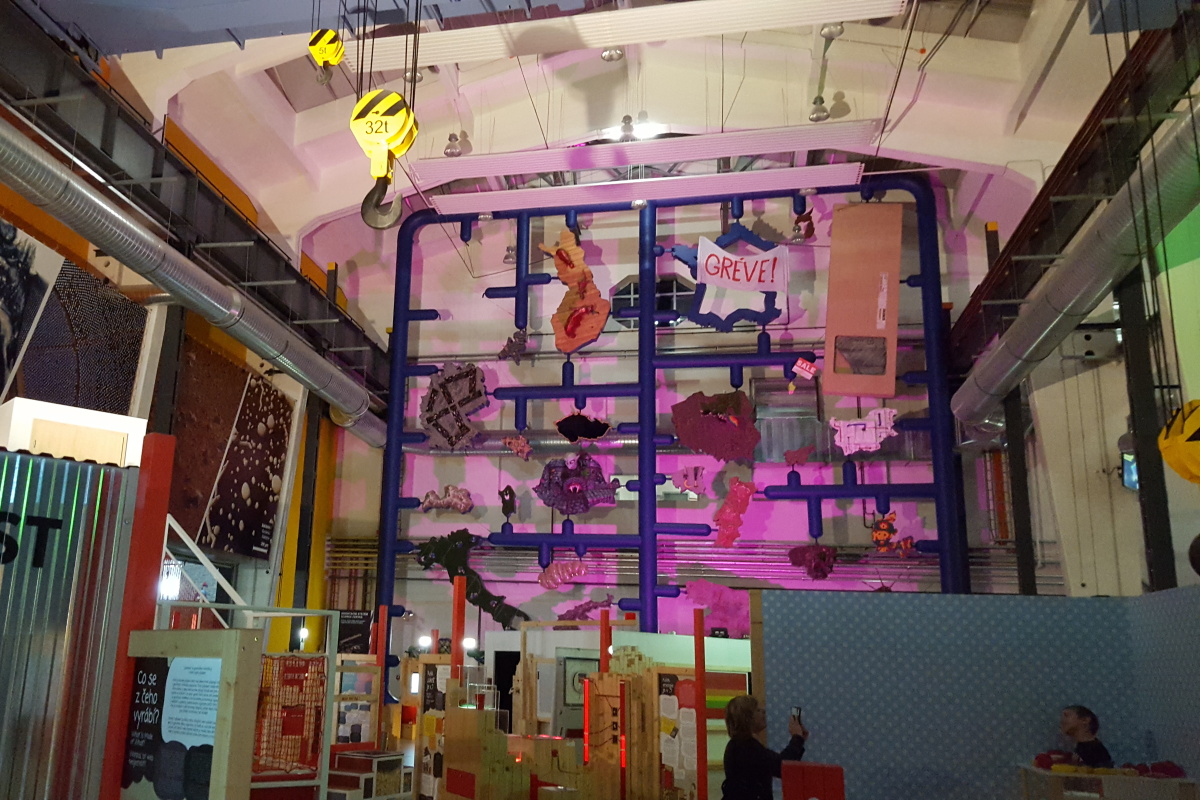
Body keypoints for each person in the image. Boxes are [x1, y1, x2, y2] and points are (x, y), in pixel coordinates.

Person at [721, 695, 807, 800]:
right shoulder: (747, 747)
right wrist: (797, 738)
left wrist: (798, 740)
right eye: (757, 710)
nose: (763, 712)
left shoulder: (738, 745)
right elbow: (782, 766)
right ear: (747, 718)